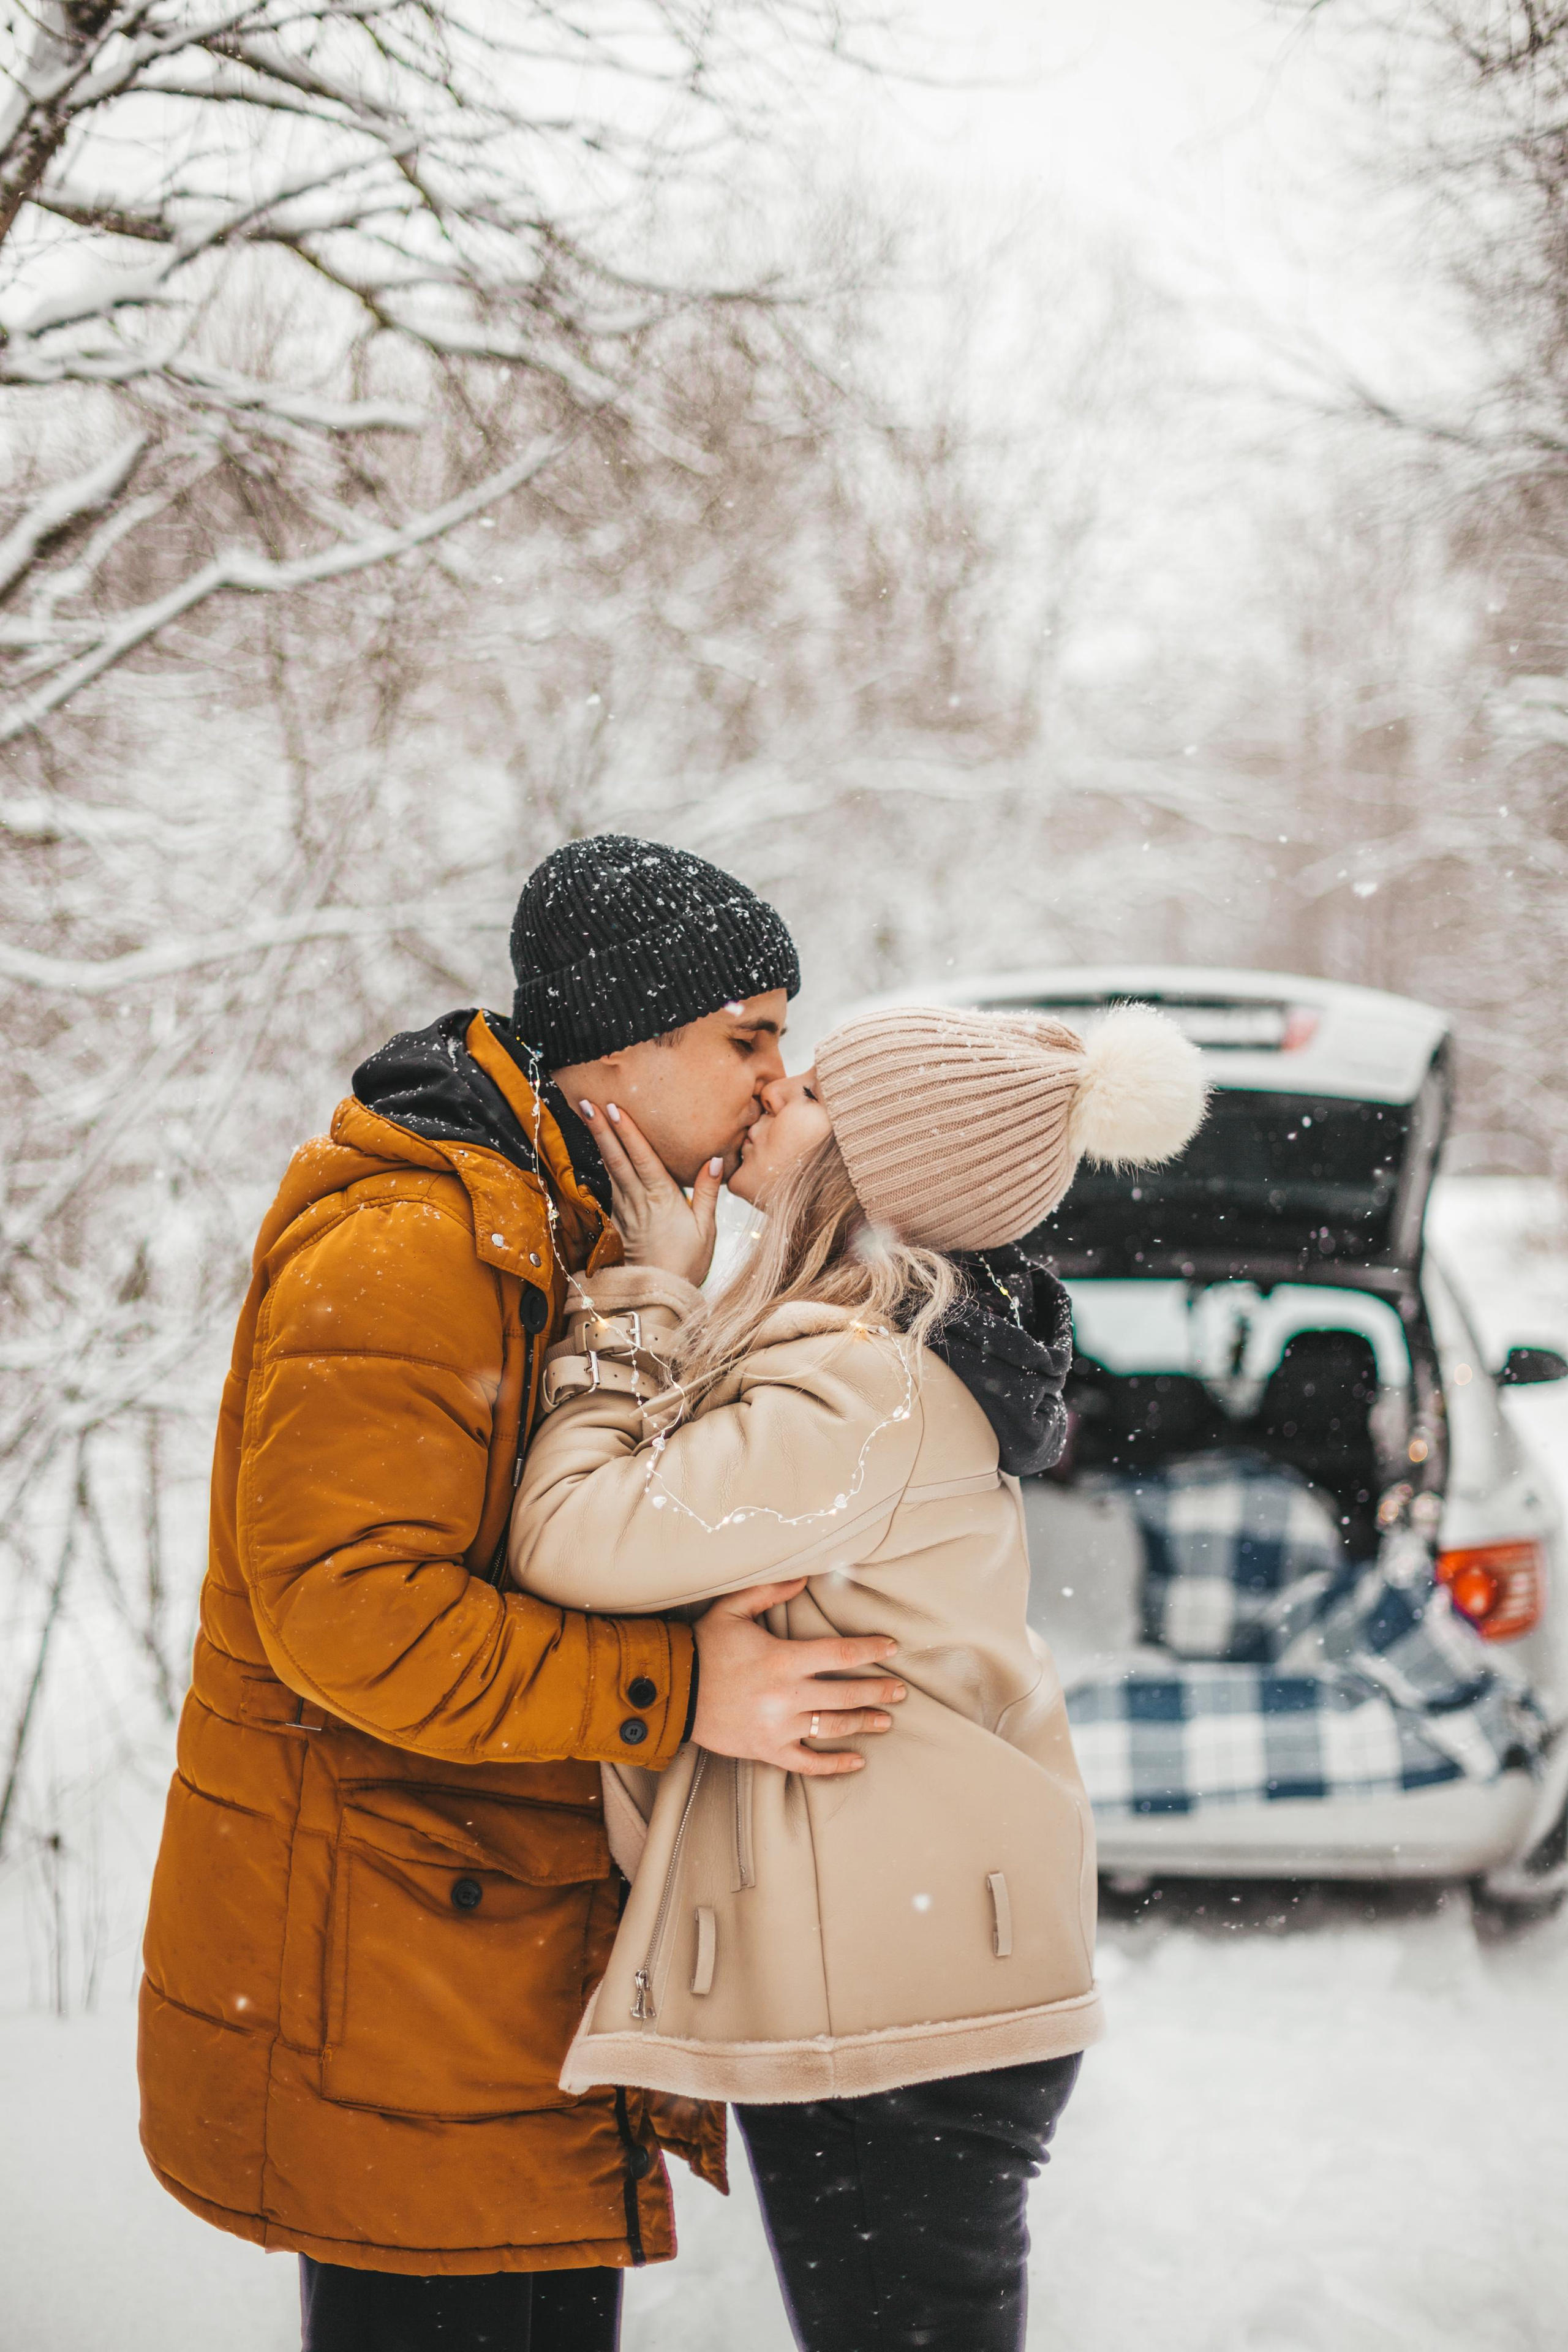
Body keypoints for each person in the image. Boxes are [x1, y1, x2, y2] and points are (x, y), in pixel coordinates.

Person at [137, 835, 909, 2352]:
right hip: (401, 1975)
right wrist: (687, 1691)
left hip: (486, 1957)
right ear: (624, 1046)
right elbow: (353, 1619)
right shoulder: (410, 1248)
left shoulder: (561, 1226)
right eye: (747, 1038)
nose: (777, 1082)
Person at [508, 998, 1208, 2352]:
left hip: (909, 2009)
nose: (777, 1092)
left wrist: (643, 1292)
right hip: (910, 1975)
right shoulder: (865, 1362)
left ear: (874, 1177)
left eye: (819, 1089)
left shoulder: (863, 1394)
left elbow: (566, 1537)